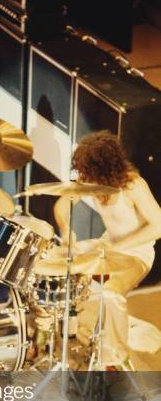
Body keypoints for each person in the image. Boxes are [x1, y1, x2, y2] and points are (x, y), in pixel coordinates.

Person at [54, 130, 161, 368]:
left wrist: (120, 246)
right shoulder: (85, 178)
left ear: (102, 170)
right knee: (55, 261)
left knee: (112, 294)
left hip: (136, 252)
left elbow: (159, 225)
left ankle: (115, 357)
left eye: (86, 171)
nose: (82, 176)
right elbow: (62, 203)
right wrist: (65, 232)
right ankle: (60, 329)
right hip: (107, 244)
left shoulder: (133, 185)